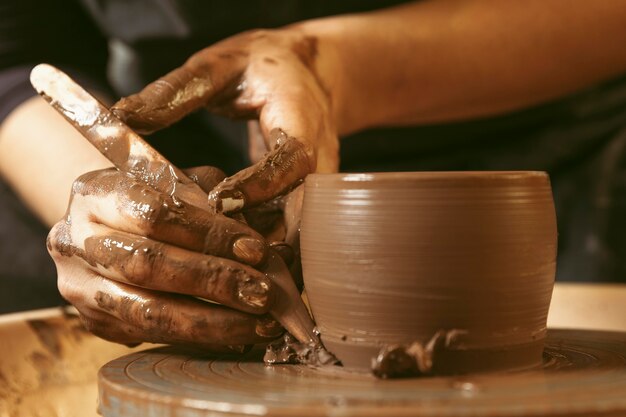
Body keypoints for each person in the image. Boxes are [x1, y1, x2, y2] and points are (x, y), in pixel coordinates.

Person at [1, 0, 625, 348]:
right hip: (214, 164)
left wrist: (331, 68)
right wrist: (134, 220)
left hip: (547, 136)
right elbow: (15, 62)